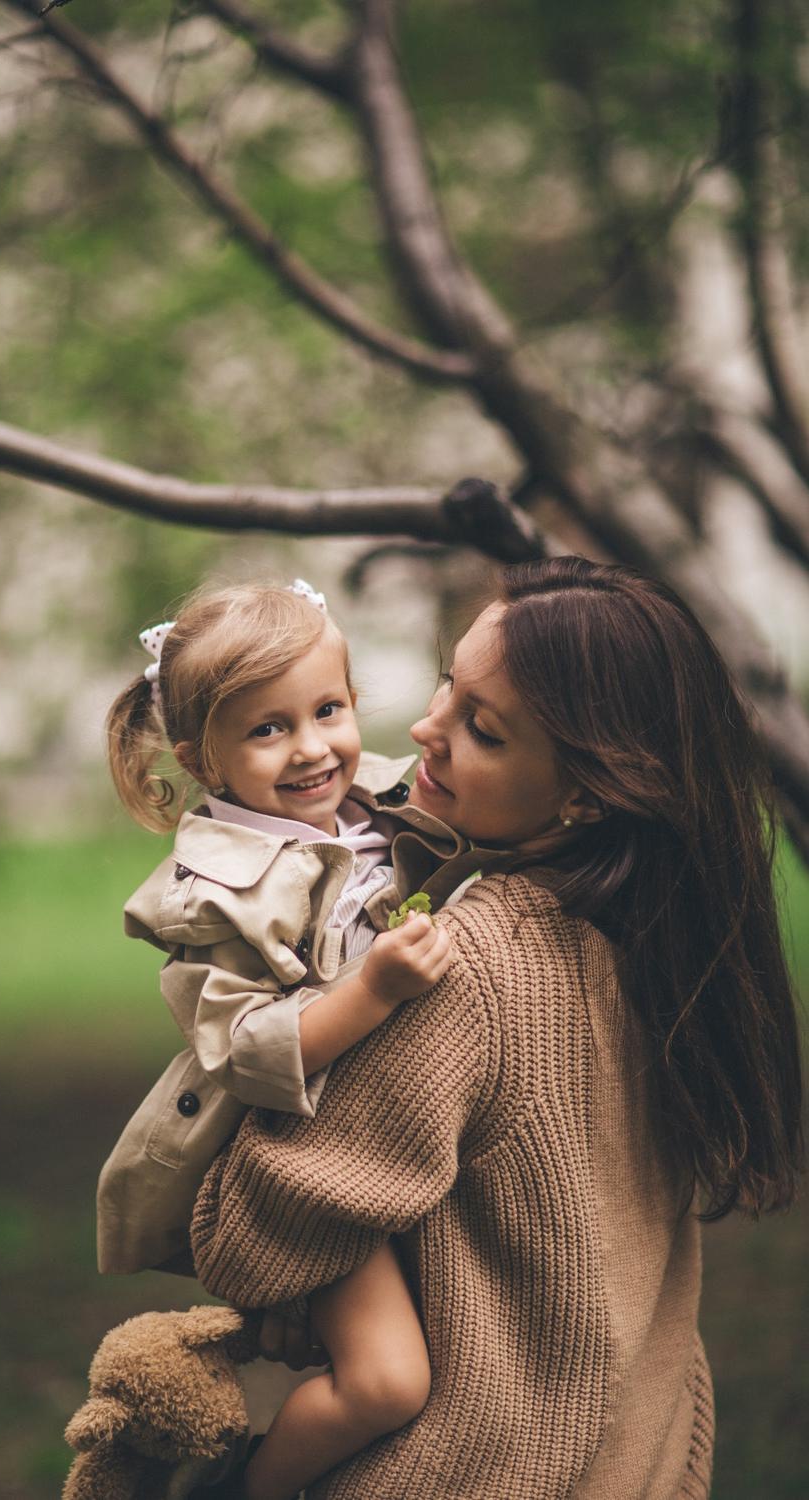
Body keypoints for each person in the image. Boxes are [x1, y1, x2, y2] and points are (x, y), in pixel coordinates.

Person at [191, 556, 804, 1500]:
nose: (426, 730)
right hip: (635, 1452)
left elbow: (251, 1232)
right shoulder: (664, 948)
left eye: (482, 729)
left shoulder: (469, 969)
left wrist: (306, 1287)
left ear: (586, 793)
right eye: (449, 685)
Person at [98, 579, 468, 1500]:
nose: (311, 749)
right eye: (268, 730)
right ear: (202, 757)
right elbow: (249, 1051)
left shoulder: (383, 802)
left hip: (405, 1129)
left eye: (328, 709)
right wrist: (374, 985)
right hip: (298, 1164)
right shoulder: (209, 895)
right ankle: (246, 1487)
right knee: (387, 1381)